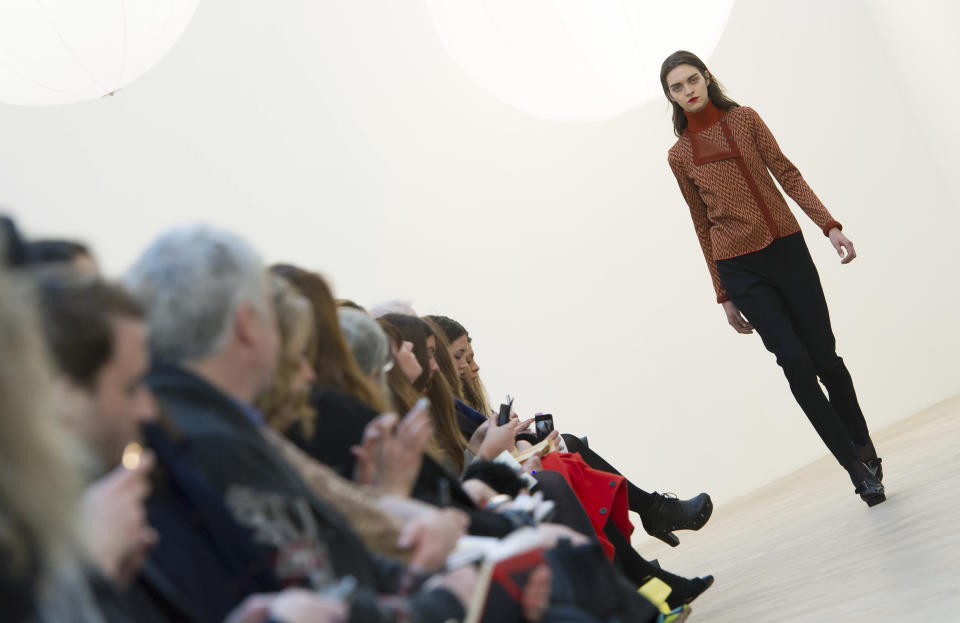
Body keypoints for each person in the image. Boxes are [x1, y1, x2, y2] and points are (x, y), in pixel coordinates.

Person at [125, 225, 474, 622]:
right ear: (247, 324)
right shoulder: (214, 441)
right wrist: (447, 596)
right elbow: (320, 587)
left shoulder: (206, 424)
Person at [661, 50, 884, 506]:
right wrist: (722, 292)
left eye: (692, 79)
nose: (688, 90)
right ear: (670, 97)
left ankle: (865, 447)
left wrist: (830, 225)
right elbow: (700, 222)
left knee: (825, 359)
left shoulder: (744, 119)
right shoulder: (679, 155)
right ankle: (854, 469)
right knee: (796, 364)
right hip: (739, 267)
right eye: (676, 87)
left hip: (786, 248)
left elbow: (785, 172)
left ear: (706, 78)